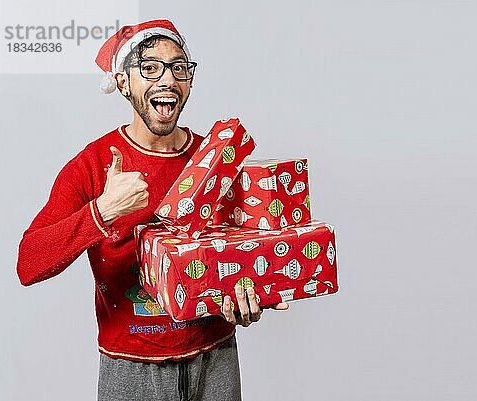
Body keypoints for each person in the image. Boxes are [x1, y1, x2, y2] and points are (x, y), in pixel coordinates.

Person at [16, 19, 288, 401]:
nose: (167, 80)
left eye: (179, 67)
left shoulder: (215, 159)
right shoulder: (92, 165)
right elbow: (28, 263)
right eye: (150, 68)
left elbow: (236, 255)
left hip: (216, 360)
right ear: (124, 83)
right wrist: (102, 211)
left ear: (190, 81)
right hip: (130, 368)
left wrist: (246, 299)